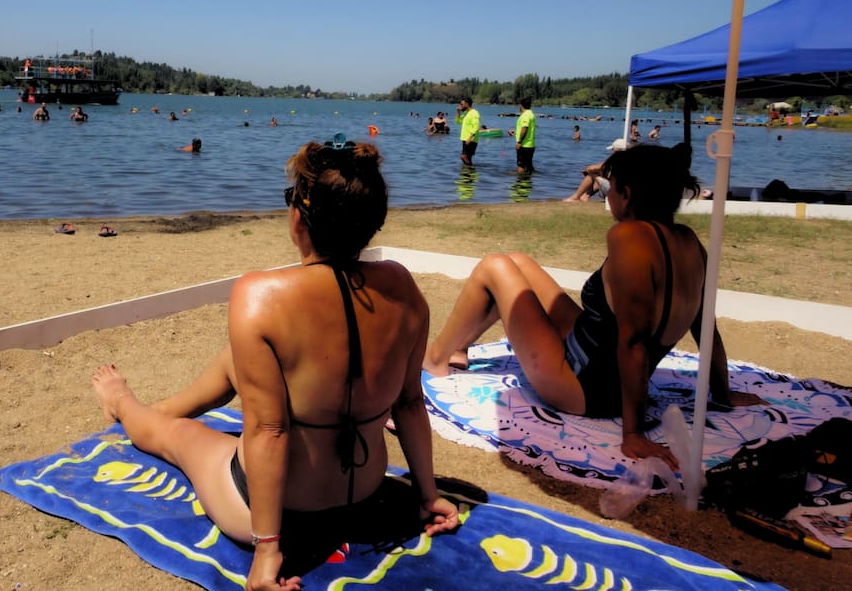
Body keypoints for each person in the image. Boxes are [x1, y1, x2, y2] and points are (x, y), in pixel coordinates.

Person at [91, 138, 461, 590]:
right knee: (240, 363)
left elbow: (270, 431)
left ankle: (125, 405)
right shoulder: (402, 288)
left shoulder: (260, 295)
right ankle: (162, 408)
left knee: (181, 436)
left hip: (277, 513)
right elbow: (407, 403)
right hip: (363, 494)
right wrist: (428, 496)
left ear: (299, 218)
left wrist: (268, 549)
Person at [425, 144, 764, 467]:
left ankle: (436, 358)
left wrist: (632, 433)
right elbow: (707, 328)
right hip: (596, 357)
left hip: (582, 386)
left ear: (627, 195)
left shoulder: (629, 239)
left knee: (494, 267)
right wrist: (723, 392)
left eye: (611, 189)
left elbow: (632, 341)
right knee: (518, 263)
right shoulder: (690, 243)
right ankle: (460, 348)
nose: (608, 195)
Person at [510, 97, 536, 173]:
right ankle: (528, 182)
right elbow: (527, 130)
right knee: (528, 165)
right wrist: (515, 133)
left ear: (521, 105)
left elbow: (525, 129)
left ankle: (520, 182)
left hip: (524, 145)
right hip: (530, 145)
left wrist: (519, 142)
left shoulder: (525, 115)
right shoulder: (531, 114)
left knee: (521, 165)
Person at [455, 97, 480, 166]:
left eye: (461, 104)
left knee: (463, 157)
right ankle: (468, 174)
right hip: (465, 138)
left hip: (471, 139)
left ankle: (471, 170)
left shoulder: (474, 113)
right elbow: (458, 121)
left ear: (466, 104)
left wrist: (470, 138)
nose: (460, 106)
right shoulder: (466, 113)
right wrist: (458, 112)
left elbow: (476, 126)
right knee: (467, 158)